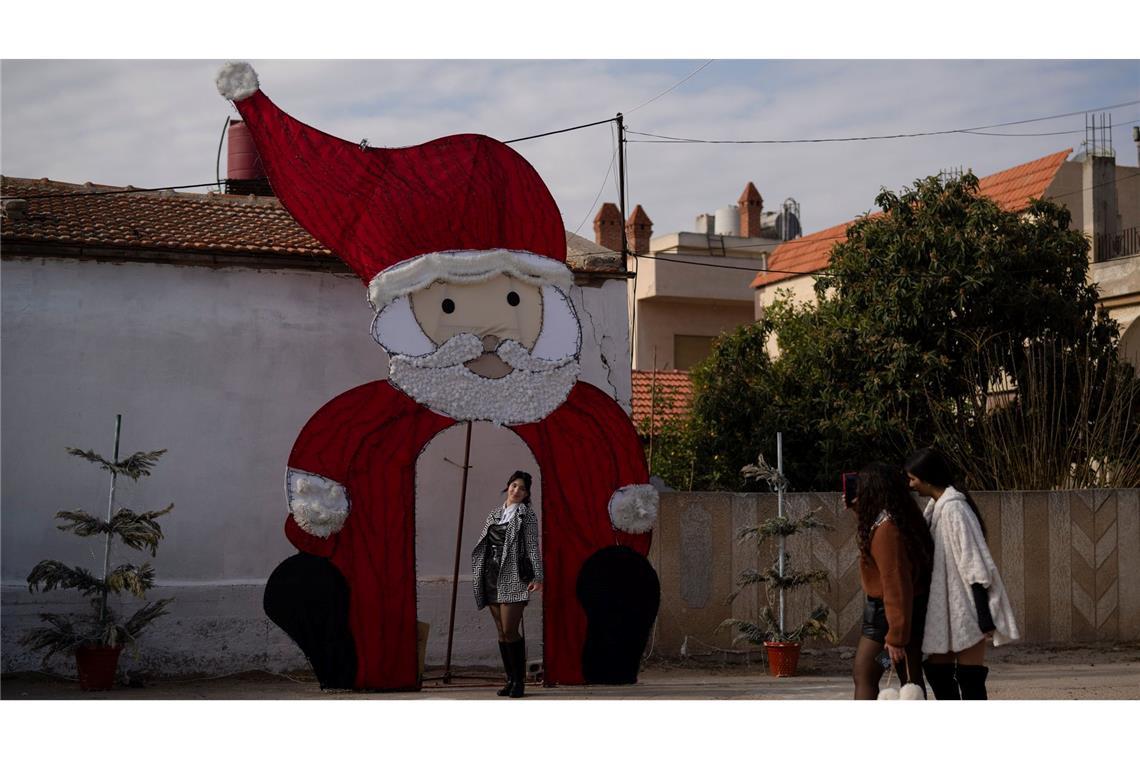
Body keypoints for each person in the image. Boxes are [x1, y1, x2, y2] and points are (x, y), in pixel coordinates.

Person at [904, 447, 1020, 700]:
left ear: (927, 477)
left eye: (913, 478)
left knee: (970, 679)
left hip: (966, 608)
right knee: (937, 670)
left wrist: (984, 615)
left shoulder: (955, 510)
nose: (911, 484)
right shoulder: (937, 508)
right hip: (945, 609)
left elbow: (974, 561)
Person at [851, 463, 934, 699]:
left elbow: (896, 582)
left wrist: (896, 637)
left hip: (886, 621)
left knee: (865, 673)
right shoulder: (897, 519)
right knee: (909, 676)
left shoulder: (887, 529)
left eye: (863, 487)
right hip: (899, 617)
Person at [472, 470, 544, 697]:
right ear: (508, 486)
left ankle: (520, 682)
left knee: (511, 630)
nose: (516, 491)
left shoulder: (526, 516)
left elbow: (532, 547)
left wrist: (538, 576)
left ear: (526, 494)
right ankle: (510, 680)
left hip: (513, 576)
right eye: (514, 485)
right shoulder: (494, 514)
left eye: (522, 488)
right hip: (491, 576)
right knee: (501, 632)